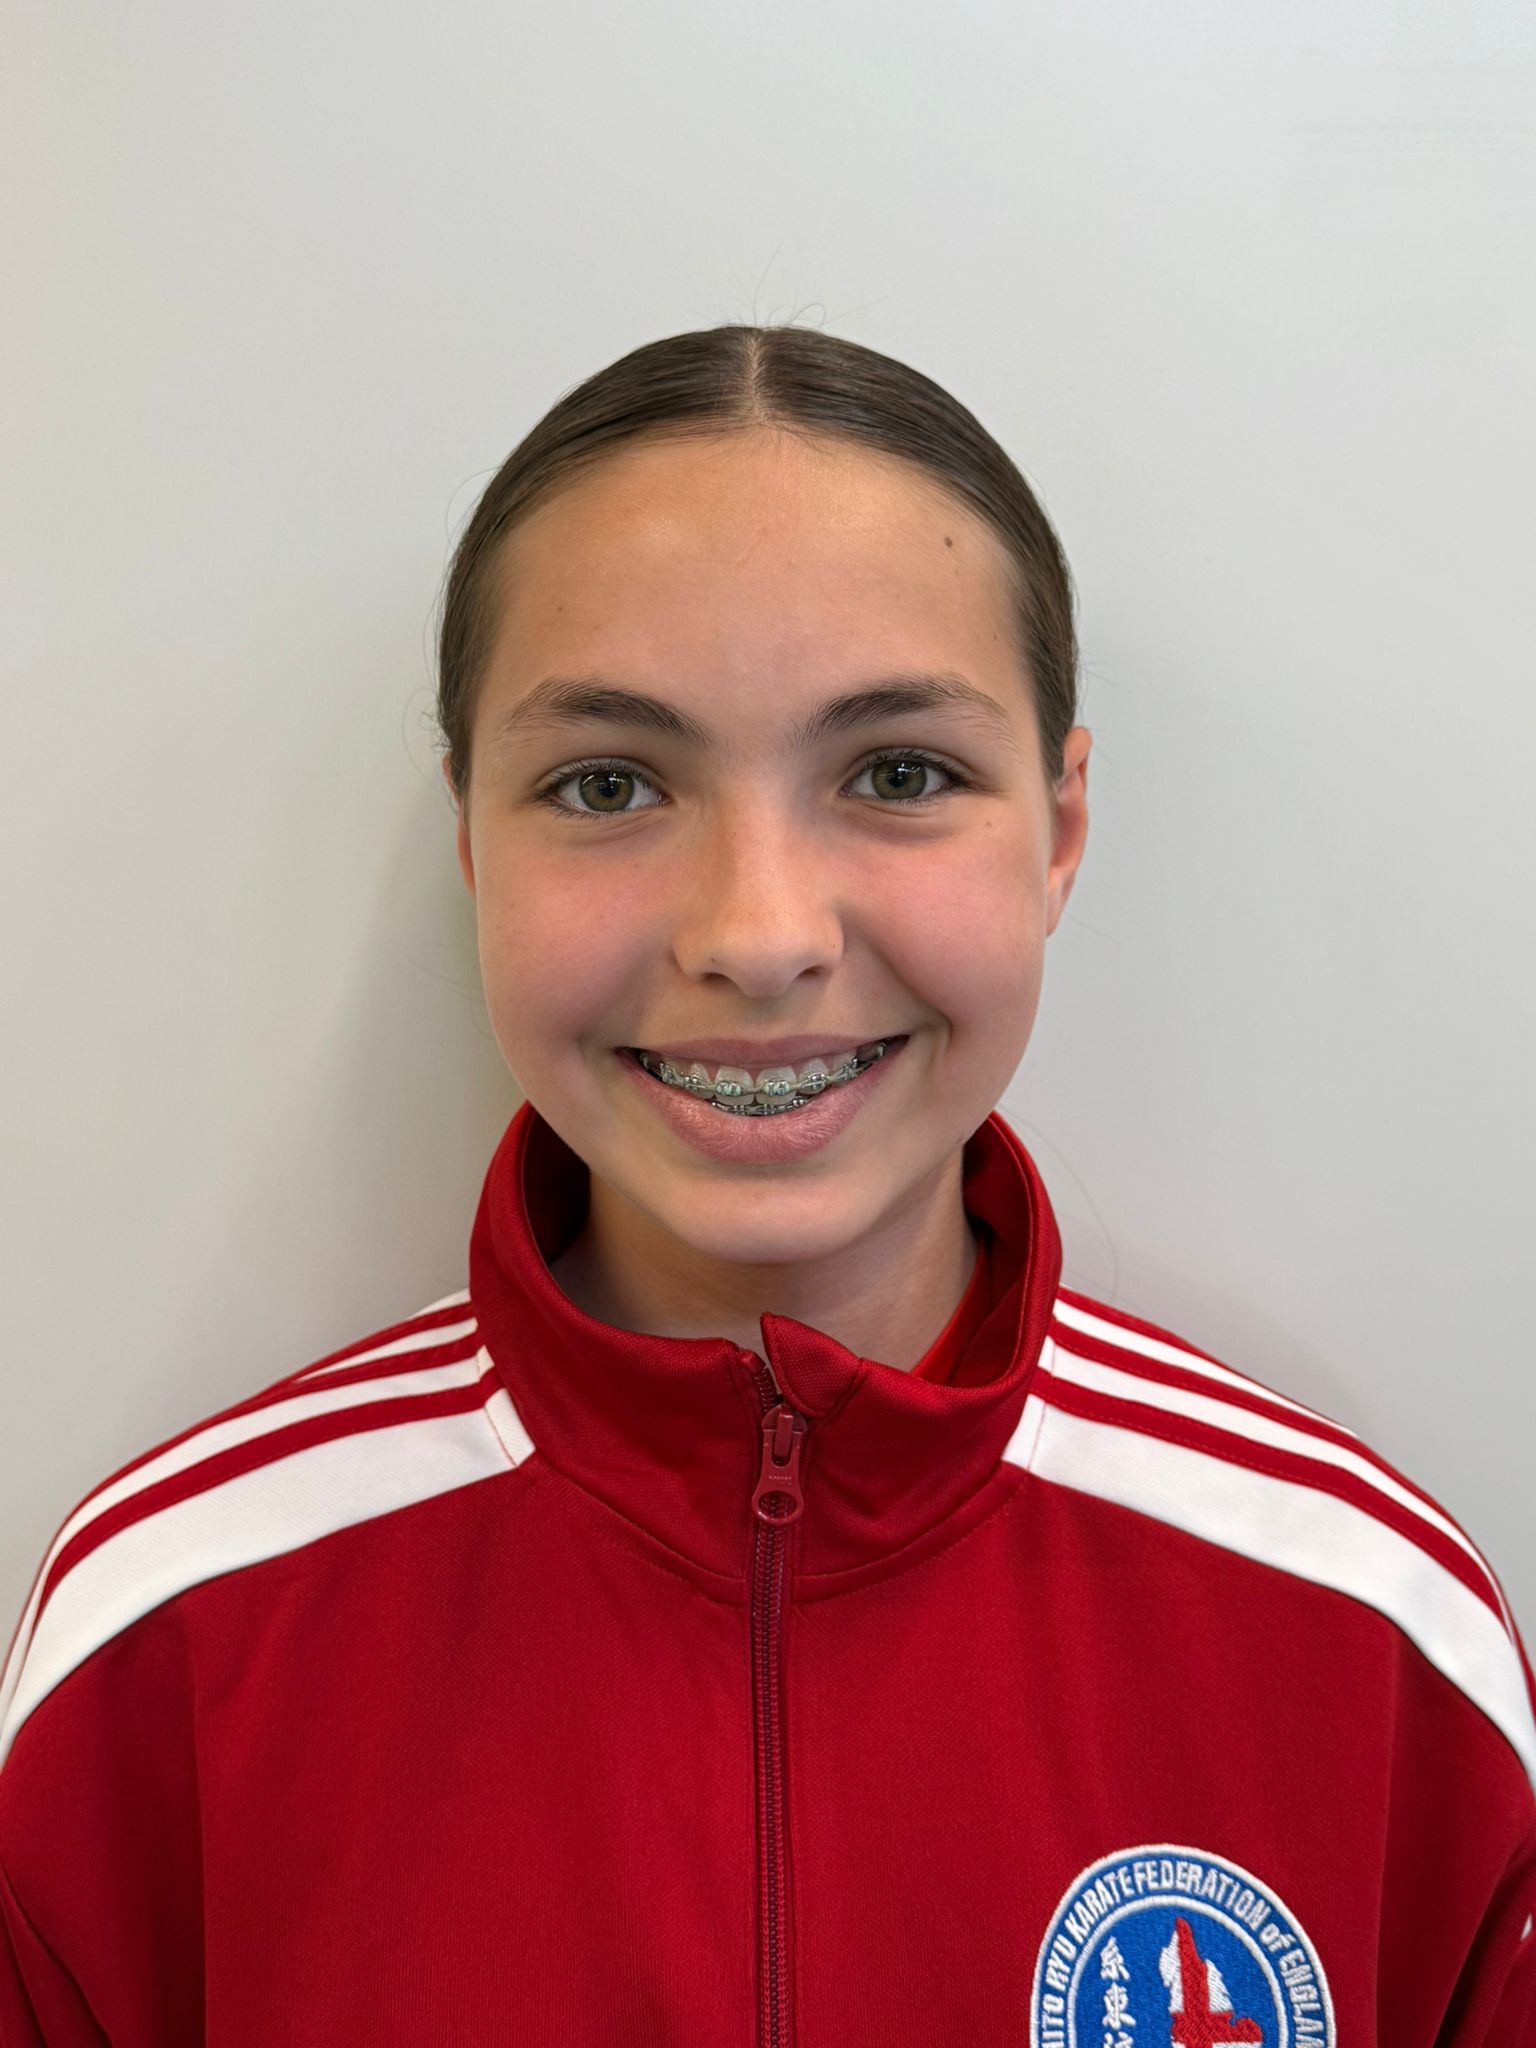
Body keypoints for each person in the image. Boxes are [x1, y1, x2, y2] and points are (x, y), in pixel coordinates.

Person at [1, 323, 1531, 2046]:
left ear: (1059, 829)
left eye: (899, 773)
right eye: (607, 784)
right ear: (472, 839)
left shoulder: (1380, 1643)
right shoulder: (162, 1647)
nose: (759, 935)